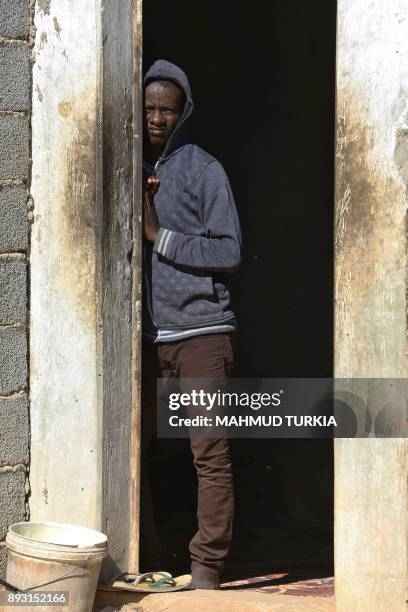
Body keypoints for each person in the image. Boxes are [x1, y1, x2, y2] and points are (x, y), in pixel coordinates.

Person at [141, 59, 242, 590]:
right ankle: (150, 552)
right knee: (140, 448)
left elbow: (230, 250)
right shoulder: (129, 167)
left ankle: (206, 567)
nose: (157, 118)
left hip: (202, 332)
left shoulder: (205, 169)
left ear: (183, 113)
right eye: (150, 108)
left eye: (167, 109)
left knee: (209, 451)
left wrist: (162, 237)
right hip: (147, 339)